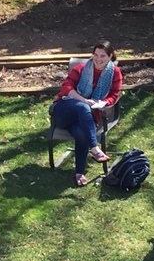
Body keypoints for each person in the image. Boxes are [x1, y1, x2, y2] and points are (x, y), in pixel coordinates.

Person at [50, 41, 123, 187]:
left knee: (82, 133)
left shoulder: (115, 73)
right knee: (82, 107)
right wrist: (84, 100)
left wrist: (102, 103)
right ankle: (95, 149)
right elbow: (66, 87)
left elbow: (114, 95)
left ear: (110, 57)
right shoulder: (82, 68)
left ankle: (79, 172)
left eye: (102, 56)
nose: (98, 59)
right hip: (64, 109)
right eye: (95, 55)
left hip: (85, 118)